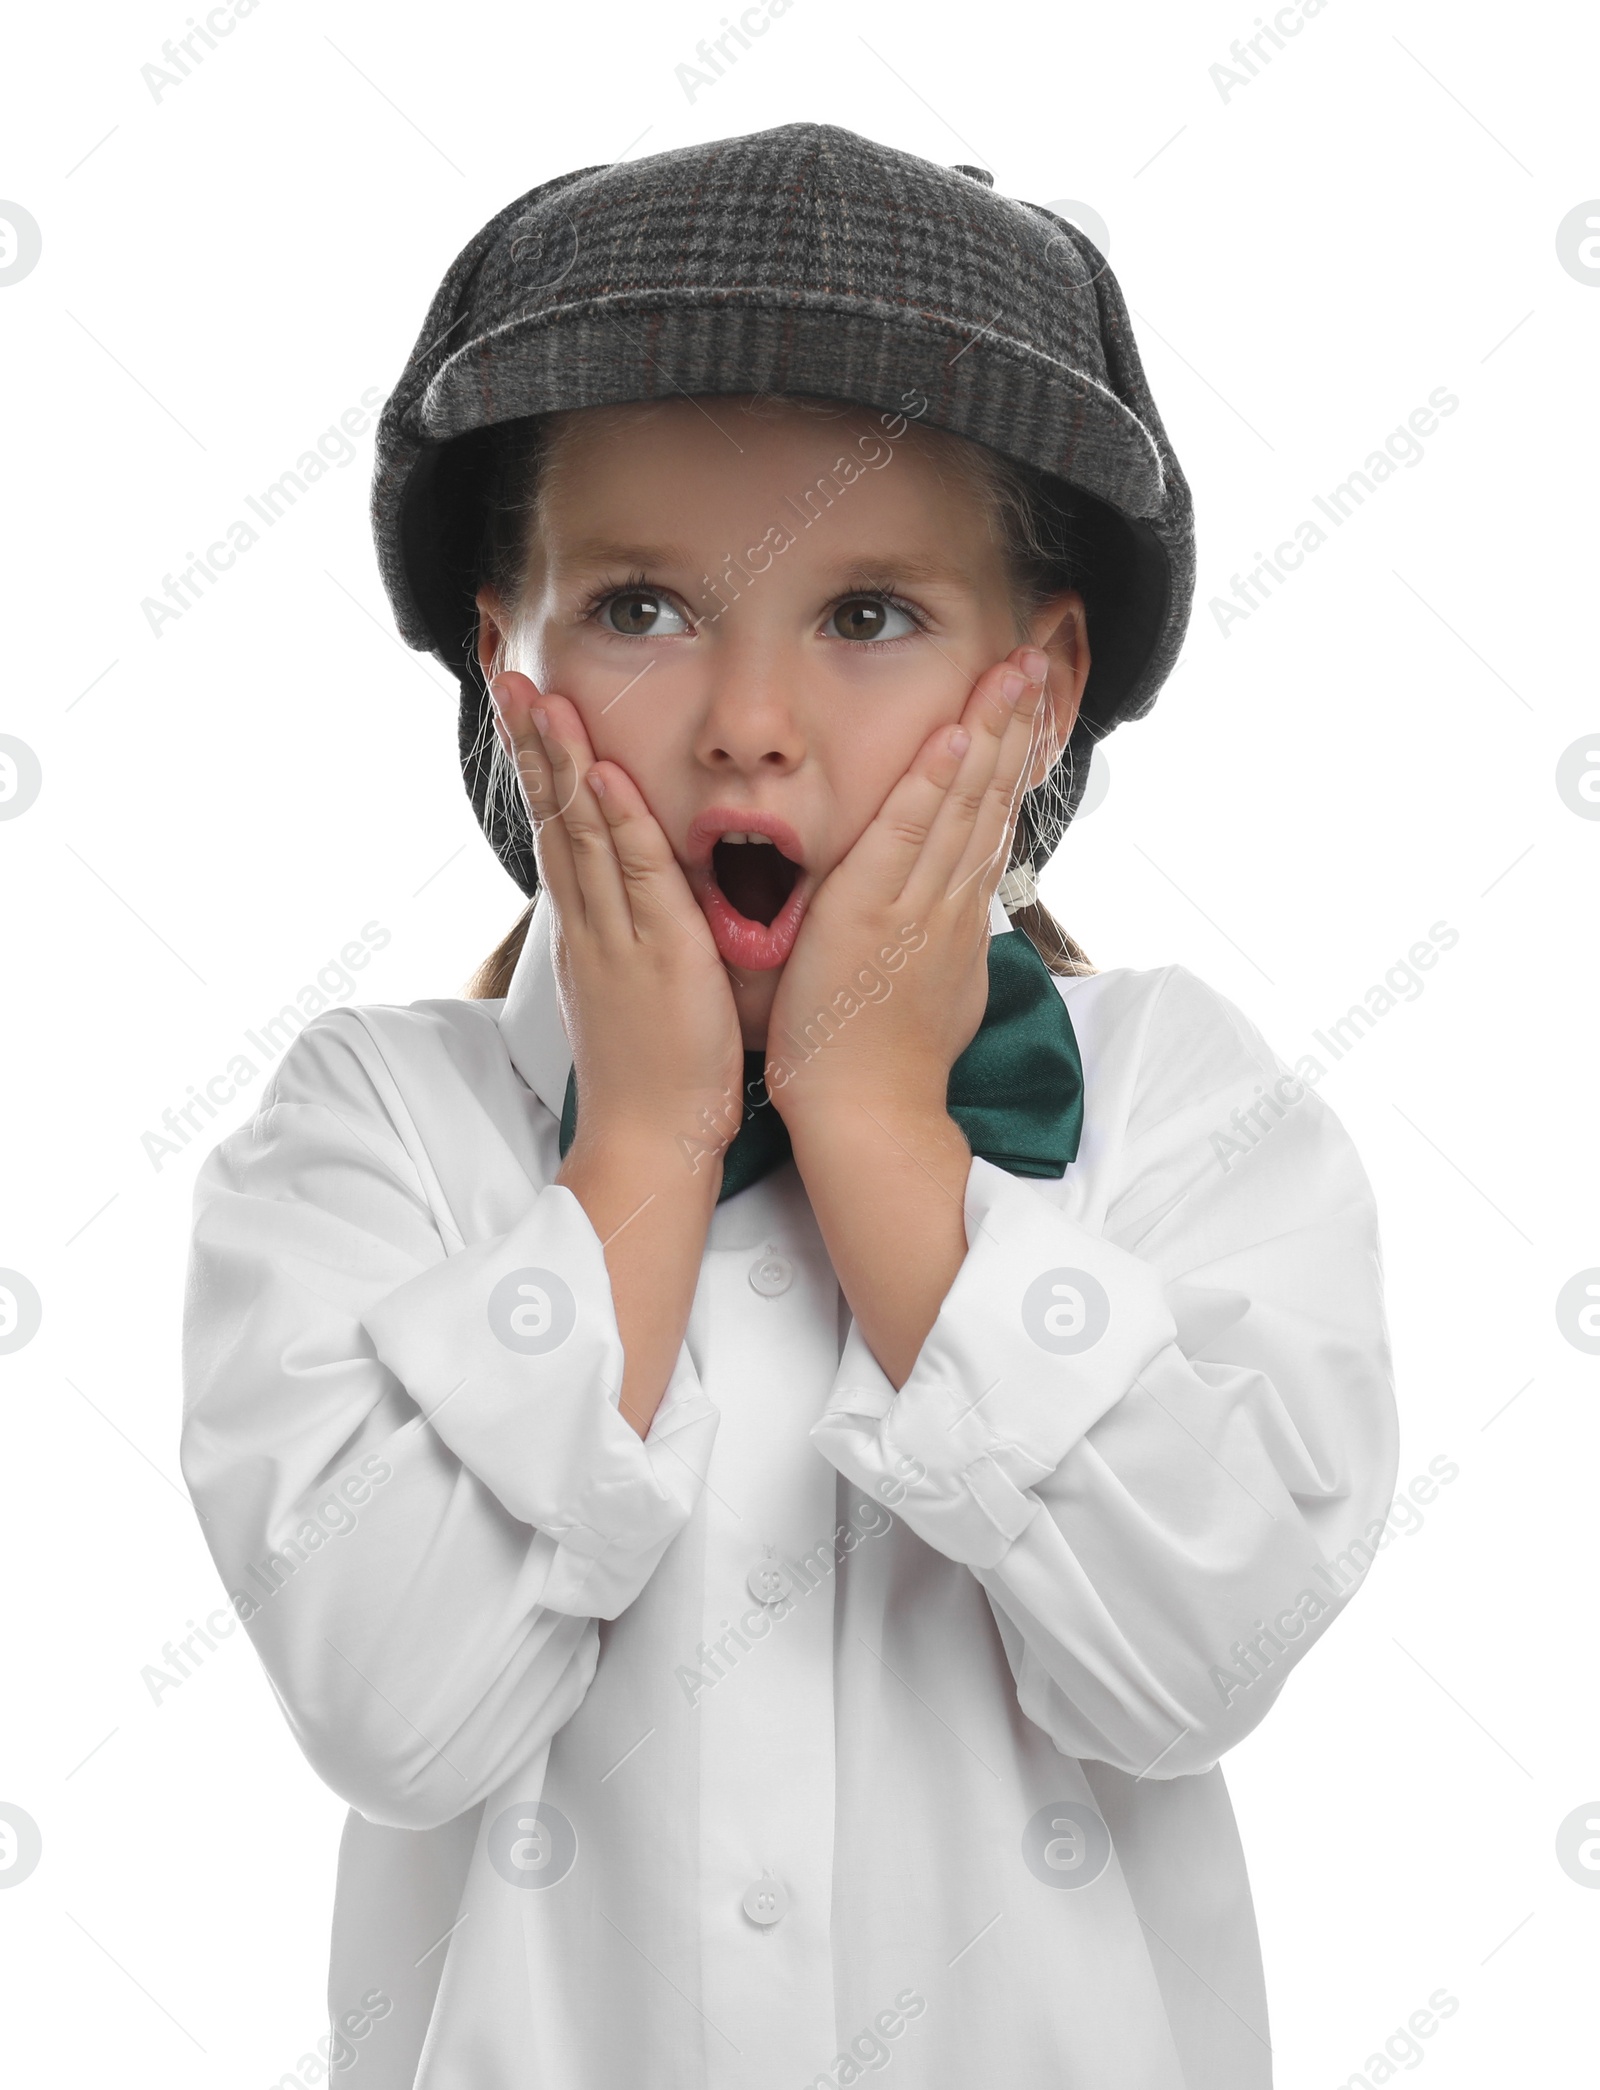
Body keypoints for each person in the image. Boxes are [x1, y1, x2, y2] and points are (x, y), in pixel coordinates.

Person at [180, 122, 1399, 2090]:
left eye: (864, 615)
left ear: (1037, 686)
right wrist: (642, 1152)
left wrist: (883, 1140)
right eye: (644, 608)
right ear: (503, 654)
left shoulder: (1183, 1109)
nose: (749, 716)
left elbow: (1195, 1658)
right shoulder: (366, 1133)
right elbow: (392, 1709)